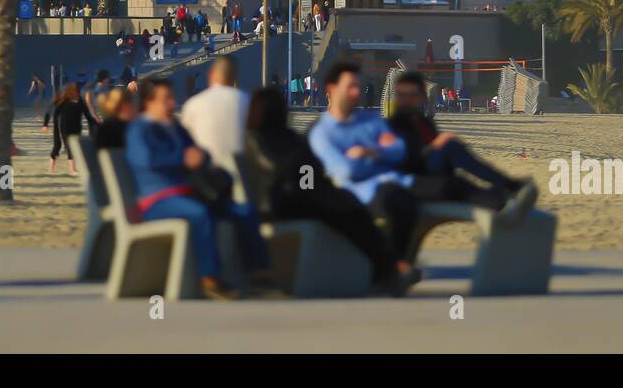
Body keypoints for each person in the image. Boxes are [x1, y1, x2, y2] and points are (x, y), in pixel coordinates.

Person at [309, 62, 537, 262]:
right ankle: (396, 267)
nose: (357, 92)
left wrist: (371, 151)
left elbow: (397, 150)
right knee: (428, 189)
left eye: (358, 86)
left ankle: (505, 200)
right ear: (331, 89)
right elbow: (348, 169)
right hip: (374, 189)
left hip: (400, 178)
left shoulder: (371, 121)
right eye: (351, 87)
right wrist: (380, 153)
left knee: (453, 181)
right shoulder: (324, 132)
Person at [244, 87, 420, 294]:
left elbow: (306, 170)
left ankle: (386, 268)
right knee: (349, 211)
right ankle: (386, 269)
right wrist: (309, 179)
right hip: (285, 202)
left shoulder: (278, 137)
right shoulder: (260, 140)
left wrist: (309, 179)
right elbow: (291, 170)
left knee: (351, 207)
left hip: (299, 195)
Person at [126, 79, 273, 300]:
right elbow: (146, 159)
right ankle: (210, 278)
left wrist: (200, 157)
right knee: (200, 215)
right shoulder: (140, 129)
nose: (171, 103)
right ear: (148, 102)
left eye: (171, 98)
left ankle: (258, 275)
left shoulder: (176, 128)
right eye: (165, 99)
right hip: (157, 200)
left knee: (245, 211)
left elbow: (198, 155)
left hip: (190, 194)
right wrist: (182, 159)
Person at [387, 72, 530, 197]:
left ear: (422, 97)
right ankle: (506, 185)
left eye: (412, 95)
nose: (407, 100)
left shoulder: (424, 122)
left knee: (460, 181)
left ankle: (502, 191)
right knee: (451, 147)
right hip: (412, 179)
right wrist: (438, 144)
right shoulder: (394, 125)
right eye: (402, 95)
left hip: (432, 173)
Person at [179, 55, 248, 176]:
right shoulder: (248, 102)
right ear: (235, 77)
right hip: (240, 177)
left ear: (211, 74)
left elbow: (184, 145)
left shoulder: (193, 104)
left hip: (205, 178)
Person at [43, 82, 94, 173]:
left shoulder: (80, 101)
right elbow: (52, 112)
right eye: (76, 92)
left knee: (74, 147)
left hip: (76, 127)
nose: (78, 94)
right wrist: (45, 124)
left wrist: (95, 124)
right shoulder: (64, 100)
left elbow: (87, 115)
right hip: (63, 127)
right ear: (72, 92)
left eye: (79, 92)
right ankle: (53, 169)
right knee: (58, 146)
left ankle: (72, 169)